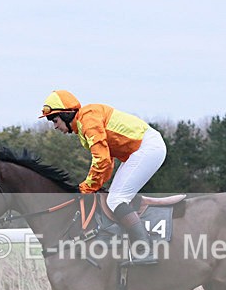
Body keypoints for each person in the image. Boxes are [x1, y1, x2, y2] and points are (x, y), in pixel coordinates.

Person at [39, 90, 167, 265]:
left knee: (115, 199)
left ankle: (144, 250)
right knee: (114, 196)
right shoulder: (84, 122)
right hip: (140, 150)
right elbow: (107, 162)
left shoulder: (88, 121)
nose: (55, 126)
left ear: (66, 114)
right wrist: (92, 186)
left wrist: (85, 188)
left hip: (147, 148)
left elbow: (102, 161)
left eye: (55, 120)